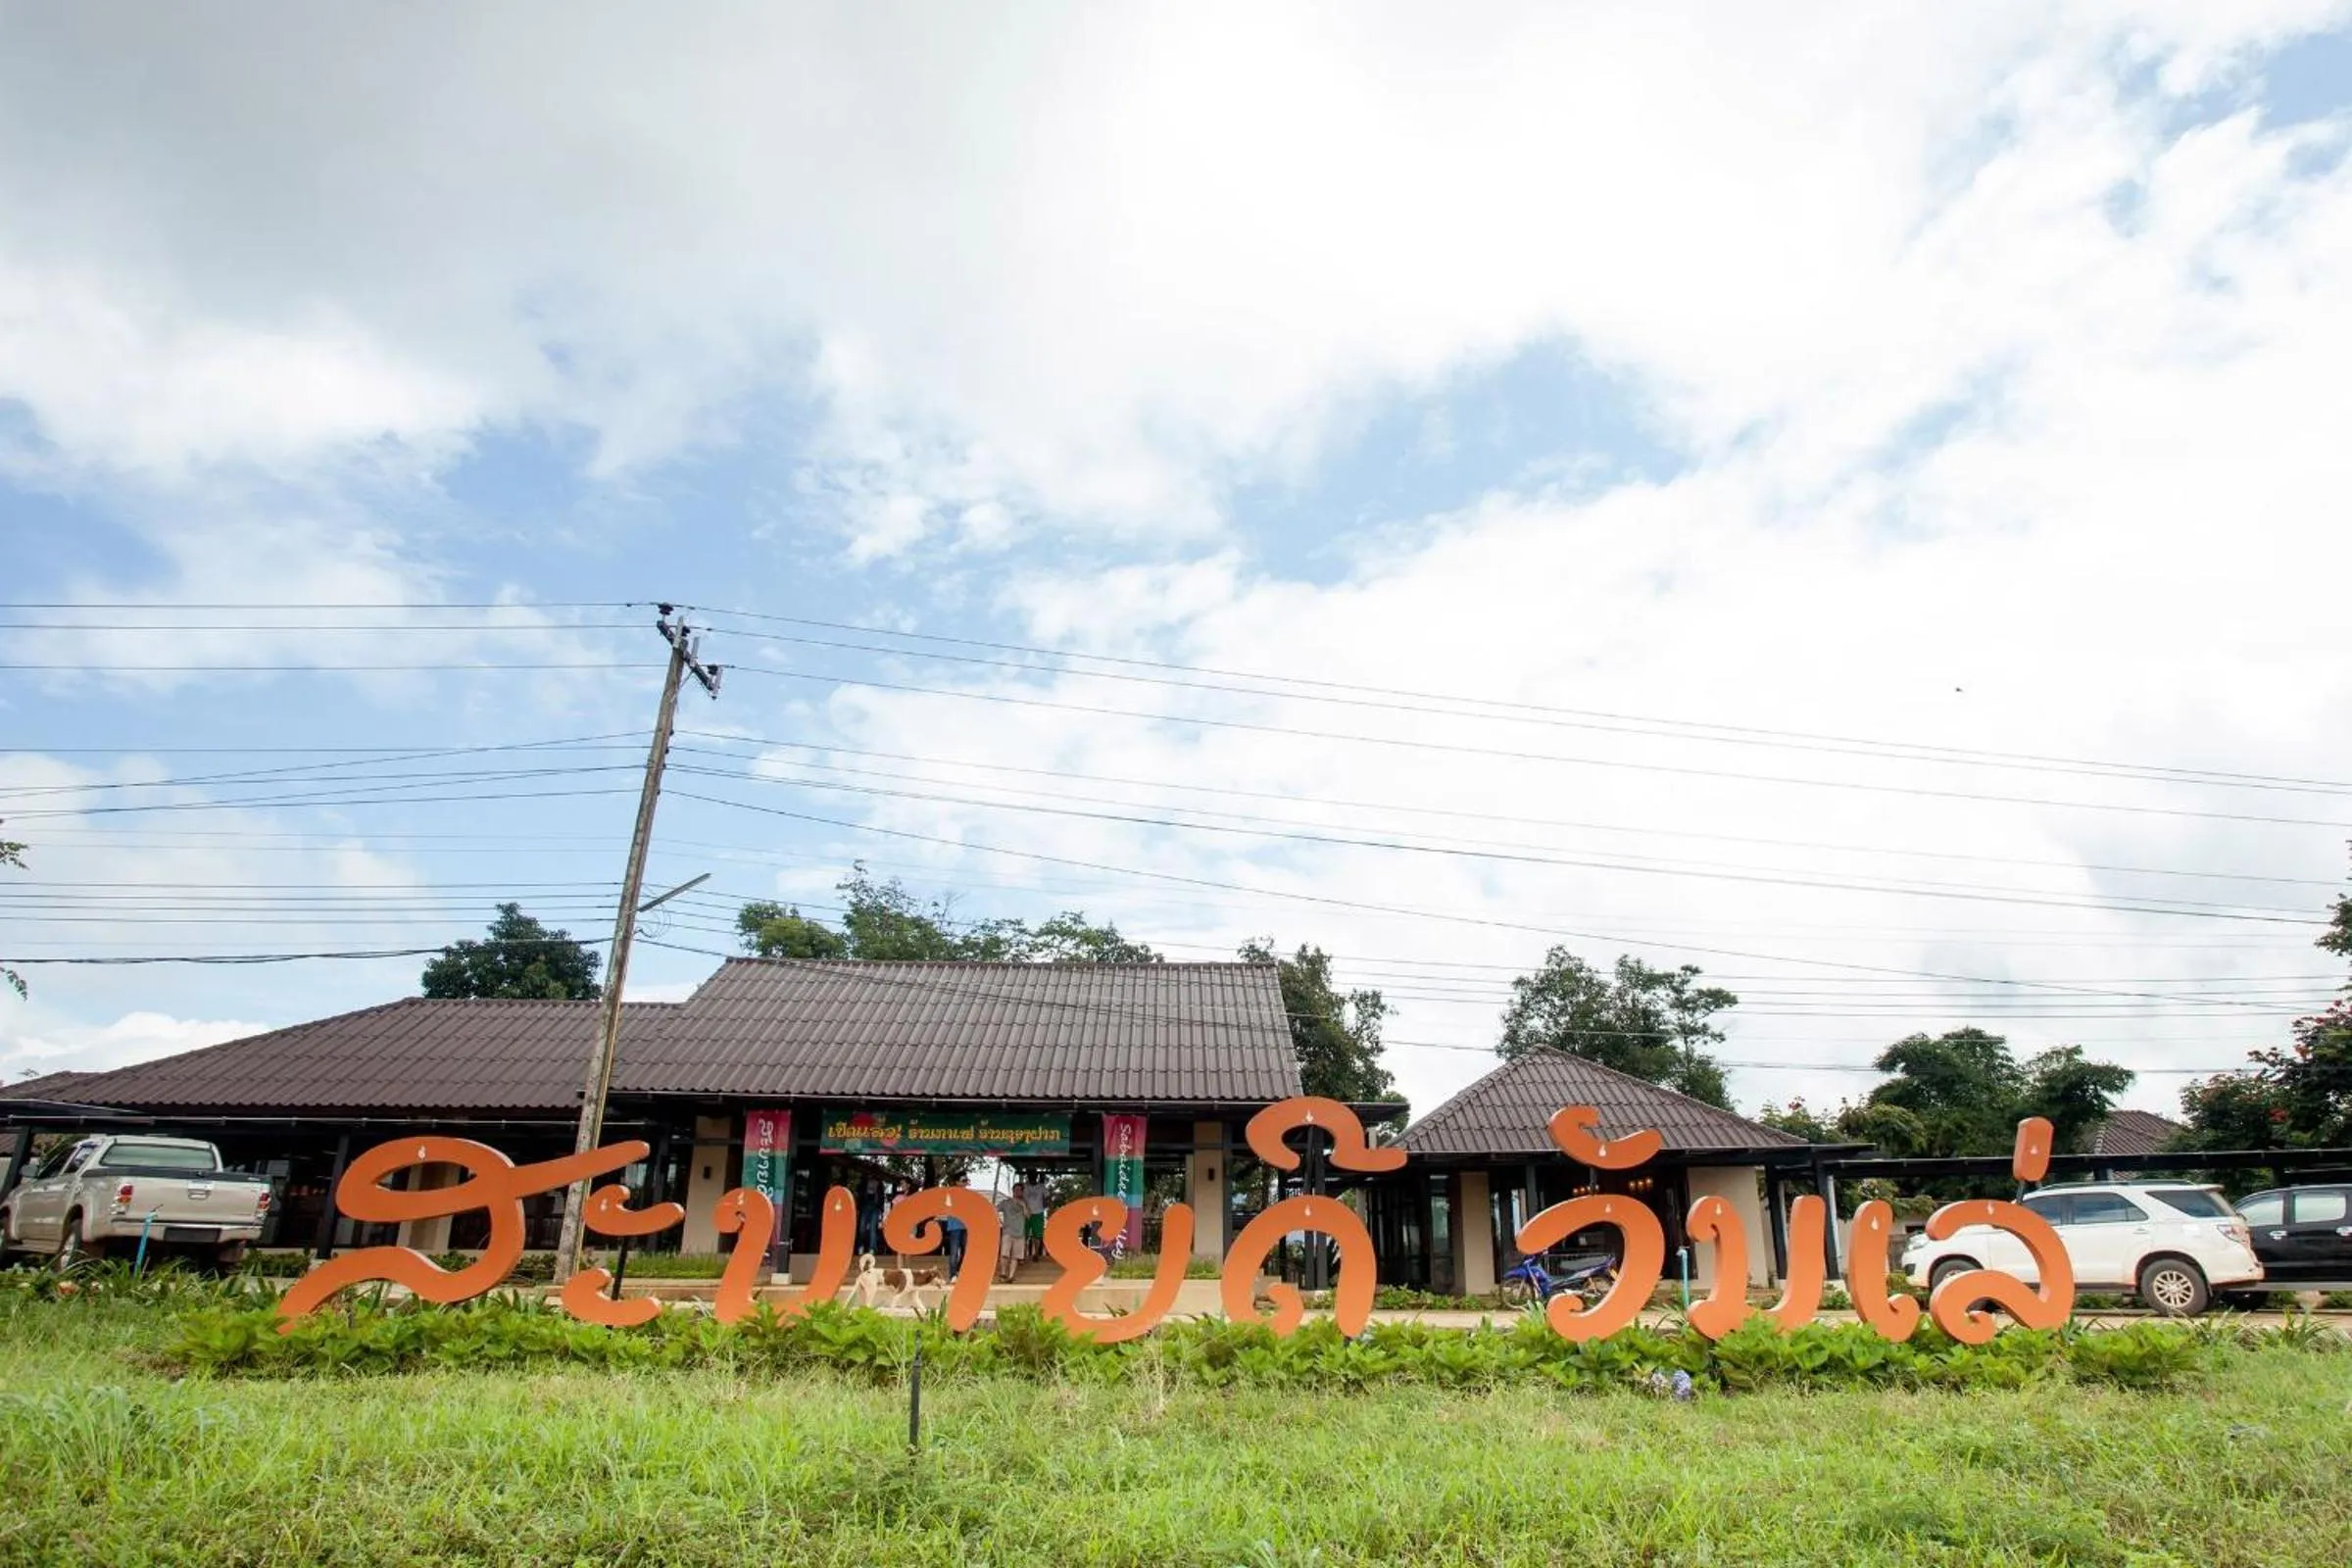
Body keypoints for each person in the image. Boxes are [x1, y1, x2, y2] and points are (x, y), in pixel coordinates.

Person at [938, 1174, 969, 1277]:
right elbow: (948, 1209)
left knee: (966, 1250)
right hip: (955, 1226)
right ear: (957, 1182)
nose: (966, 1182)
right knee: (954, 1252)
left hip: (966, 1226)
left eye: (966, 1180)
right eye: (963, 1180)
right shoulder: (950, 1193)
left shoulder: (969, 1194)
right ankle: (953, 1275)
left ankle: (960, 1269)